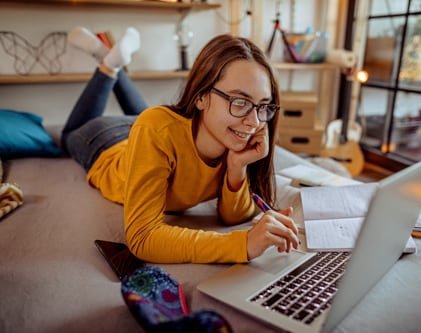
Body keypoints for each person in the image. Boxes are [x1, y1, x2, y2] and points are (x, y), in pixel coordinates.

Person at [63, 27, 300, 264]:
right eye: (239, 102)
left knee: (149, 118)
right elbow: (143, 238)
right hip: (107, 142)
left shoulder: (232, 138)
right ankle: (108, 64)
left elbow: (233, 217)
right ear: (200, 96)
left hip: (148, 128)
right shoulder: (155, 129)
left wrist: (237, 166)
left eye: (263, 106)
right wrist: (242, 244)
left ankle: (113, 59)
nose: (254, 122)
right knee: (69, 134)